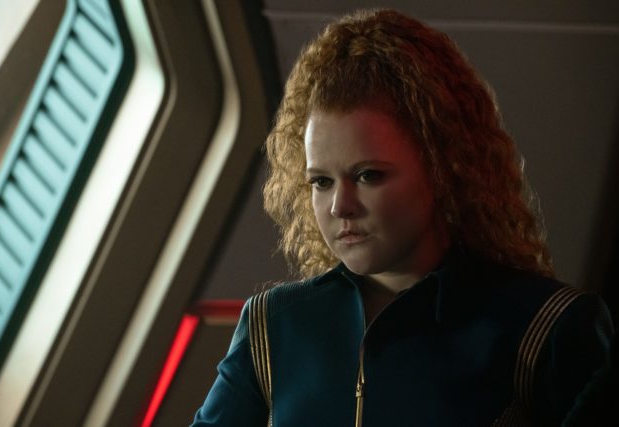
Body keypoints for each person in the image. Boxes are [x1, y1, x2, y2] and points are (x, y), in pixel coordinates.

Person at [191, 9, 614, 426]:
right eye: (321, 181)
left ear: (443, 167)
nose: (340, 206)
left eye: (368, 175)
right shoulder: (273, 325)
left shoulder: (546, 326)